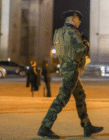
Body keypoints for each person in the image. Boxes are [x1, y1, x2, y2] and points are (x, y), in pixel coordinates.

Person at [38, 10, 103, 138]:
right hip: (72, 69)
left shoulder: (58, 32)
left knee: (80, 95)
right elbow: (80, 51)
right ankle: (45, 127)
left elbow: (64, 49)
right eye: (78, 20)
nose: (79, 22)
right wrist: (86, 43)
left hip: (65, 67)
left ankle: (87, 125)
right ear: (72, 20)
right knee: (61, 99)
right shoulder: (73, 32)